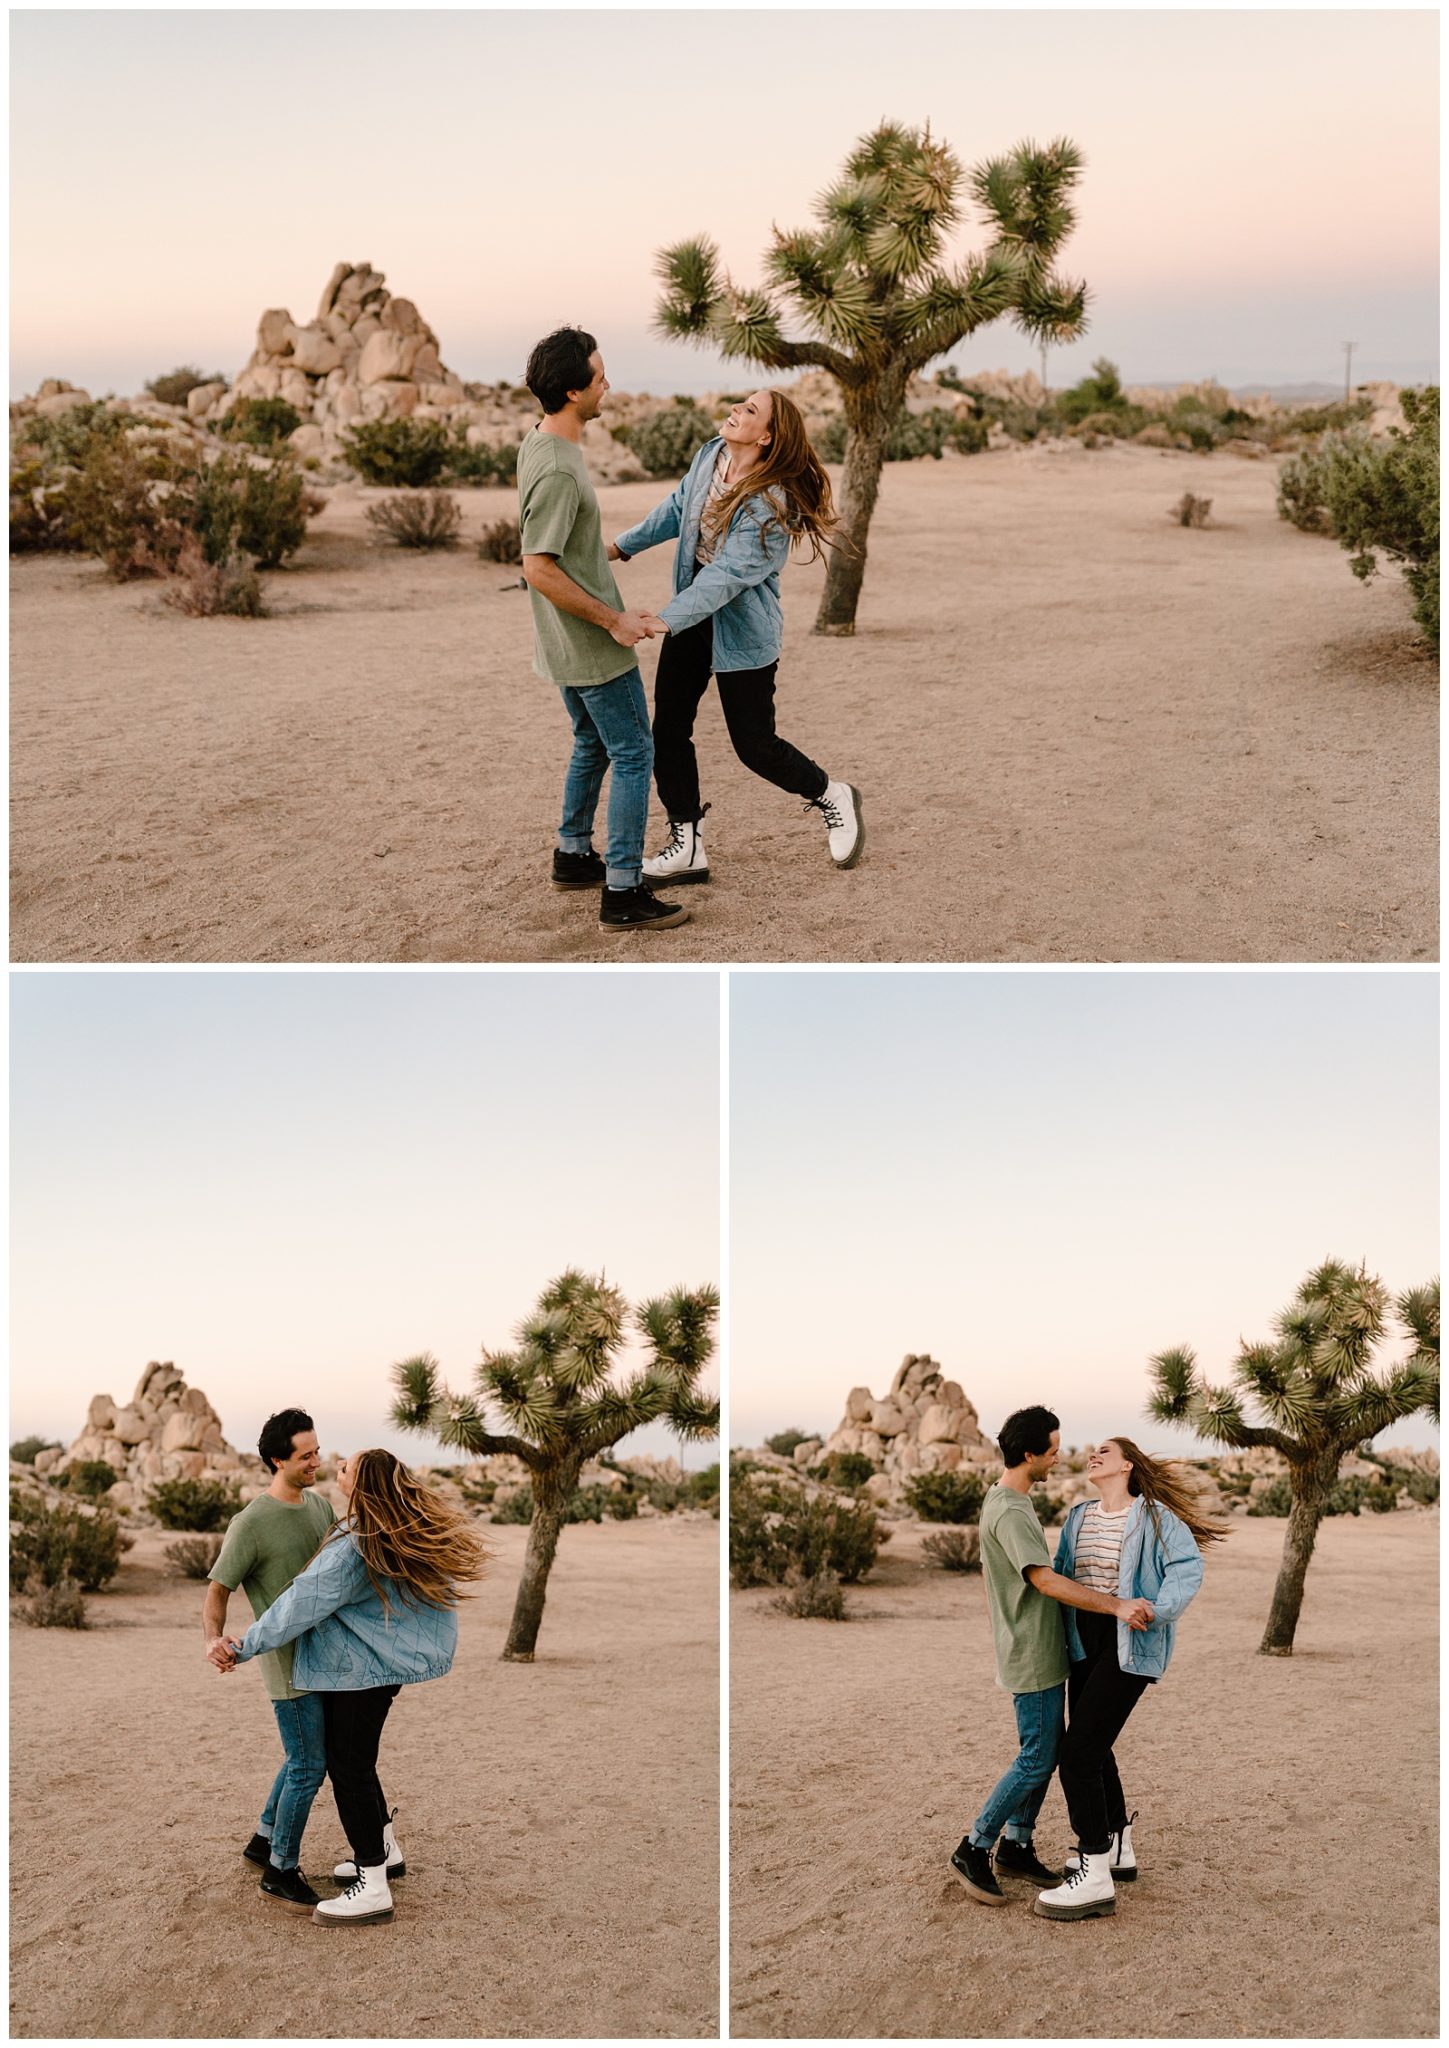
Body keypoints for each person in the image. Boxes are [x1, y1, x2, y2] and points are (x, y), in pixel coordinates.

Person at [210, 1448, 489, 1926]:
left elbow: (300, 1603)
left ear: (361, 1483)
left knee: (349, 1769)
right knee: (358, 1764)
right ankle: (385, 1853)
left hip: (361, 1676)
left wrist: (245, 1645)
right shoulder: (384, 1529)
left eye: (345, 1467)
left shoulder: (360, 1541)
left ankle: (373, 1886)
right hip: (376, 1673)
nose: (334, 1468)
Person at [608, 388, 864, 882]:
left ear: (767, 435)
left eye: (750, 410)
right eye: (740, 403)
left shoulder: (771, 503)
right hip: (691, 616)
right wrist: (620, 547)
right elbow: (677, 508)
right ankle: (687, 843)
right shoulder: (712, 455)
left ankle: (832, 794)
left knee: (754, 745)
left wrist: (665, 619)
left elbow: (725, 576)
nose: (735, 410)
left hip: (742, 632)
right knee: (668, 729)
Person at [517, 324, 688, 933]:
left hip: (563, 641)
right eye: (598, 375)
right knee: (634, 752)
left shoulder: (540, 442)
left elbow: (559, 553)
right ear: (572, 393)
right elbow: (537, 566)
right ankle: (622, 890)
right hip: (590, 642)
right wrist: (614, 619)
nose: (607, 383)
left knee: (592, 744)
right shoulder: (560, 469)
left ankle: (572, 853)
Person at [951, 1405, 1153, 1910]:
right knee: (1039, 1756)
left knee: (1050, 1747)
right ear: (1029, 1454)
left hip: (1038, 1646)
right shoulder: (1011, 1509)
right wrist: (1115, 1604)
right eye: (1053, 1450)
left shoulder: (1005, 1499)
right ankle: (974, 1847)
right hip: (1033, 1653)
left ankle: (1017, 1845)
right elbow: (1042, 1578)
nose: (1059, 1458)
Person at [1033, 1435, 1224, 1923]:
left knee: (1077, 1756)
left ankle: (1093, 1870)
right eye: (1093, 1451)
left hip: (1129, 1640)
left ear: (1127, 1467)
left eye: (1106, 1452)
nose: (1094, 1455)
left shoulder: (1156, 1517)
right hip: (1083, 1639)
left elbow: (1187, 1567)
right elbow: (1062, 1574)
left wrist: (1158, 1612)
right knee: (1096, 1747)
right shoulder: (1078, 1516)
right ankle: (1116, 1847)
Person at [204, 1407, 336, 1912]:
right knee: (308, 1765)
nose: (316, 1462)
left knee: (300, 1757)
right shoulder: (251, 1523)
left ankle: (263, 1840)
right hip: (285, 1666)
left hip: (326, 1659)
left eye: (317, 1452)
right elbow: (217, 1590)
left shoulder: (320, 1508)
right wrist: (212, 1640)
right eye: (306, 1456)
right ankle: (281, 1869)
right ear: (278, 1460)